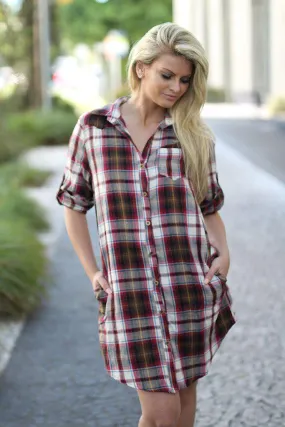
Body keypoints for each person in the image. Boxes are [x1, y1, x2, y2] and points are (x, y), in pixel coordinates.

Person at [56, 22, 236, 427]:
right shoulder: (94, 129)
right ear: (141, 68)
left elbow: (209, 207)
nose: (176, 88)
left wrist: (224, 256)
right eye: (166, 75)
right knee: (161, 415)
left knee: (185, 406)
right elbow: (72, 203)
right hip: (131, 292)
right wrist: (92, 272)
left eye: (185, 80)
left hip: (188, 285)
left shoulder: (193, 135)